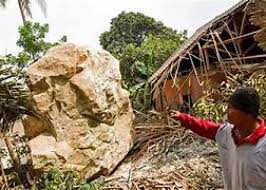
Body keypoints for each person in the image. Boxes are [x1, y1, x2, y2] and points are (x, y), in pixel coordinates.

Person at [170, 87, 266, 190]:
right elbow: (206, 127)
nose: (228, 112)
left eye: (232, 108)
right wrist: (183, 118)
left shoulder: (263, 145)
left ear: (248, 114)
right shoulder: (228, 133)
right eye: (228, 107)